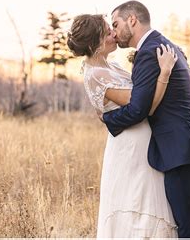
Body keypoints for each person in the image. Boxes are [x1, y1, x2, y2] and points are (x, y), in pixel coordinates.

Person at [102, 0, 190, 238]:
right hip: (184, 146)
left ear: (132, 19)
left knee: (189, 227)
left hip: (181, 148)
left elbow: (138, 109)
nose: (113, 32)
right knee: (186, 223)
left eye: (116, 23)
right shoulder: (161, 44)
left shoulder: (150, 52)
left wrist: (108, 118)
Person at [68, 14, 178, 237]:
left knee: (150, 200)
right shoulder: (96, 75)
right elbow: (141, 103)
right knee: (136, 204)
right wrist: (164, 73)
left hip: (144, 141)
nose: (114, 34)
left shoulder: (112, 66)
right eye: (108, 32)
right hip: (130, 148)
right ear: (94, 44)